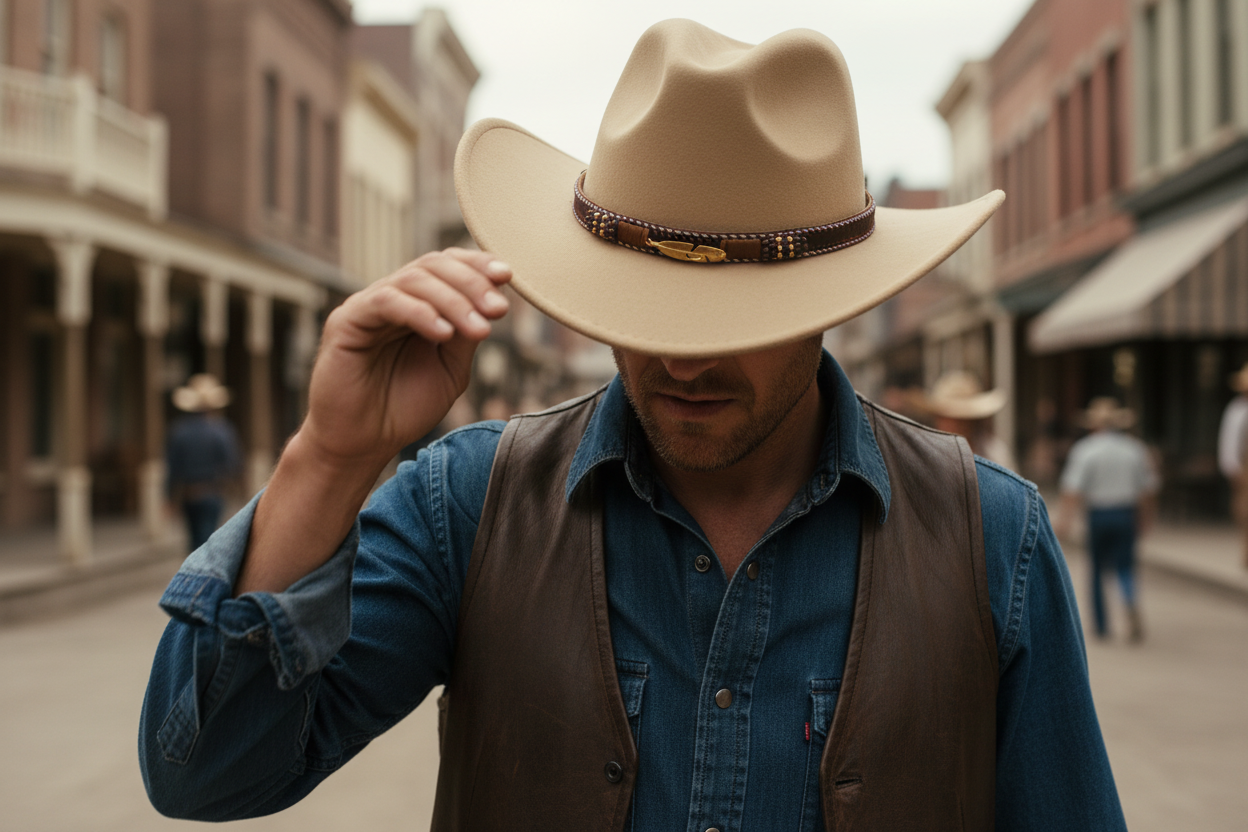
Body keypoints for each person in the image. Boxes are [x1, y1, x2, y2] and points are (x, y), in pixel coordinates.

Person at [140, 21, 1126, 831]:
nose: (681, 361)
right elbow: (206, 772)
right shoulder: (470, 505)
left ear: (832, 305)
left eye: (733, 322)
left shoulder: (991, 537)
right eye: (638, 312)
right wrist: (331, 454)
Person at [1057, 398, 1159, 643]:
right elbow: (1147, 490)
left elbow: (1073, 489)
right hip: (1125, 512)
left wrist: (1065, 520)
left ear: (1093, 425)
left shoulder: (1086, 449)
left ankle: (1102, 626)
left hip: (1099, 514)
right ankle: (1129, 600)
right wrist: (1145, 519)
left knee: (1096, 571)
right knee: (1125, 566)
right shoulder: (1134, 448)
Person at [165, 373, 241, 552]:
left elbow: (172, 468)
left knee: (193, 540)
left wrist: (169, 498)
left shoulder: (179, 432)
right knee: (207, 538)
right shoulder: (222, 430)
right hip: (212, 492)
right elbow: (233, 464)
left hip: (189, 494)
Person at [915, 370, 1015, 469]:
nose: (955, 425)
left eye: (962, 420)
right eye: (949, 418)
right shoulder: (924, 456)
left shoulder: (995, 453)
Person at [1216, 362, 1248, 569]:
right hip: (1244, 465)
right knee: (1244, 509)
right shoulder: (1237, 409)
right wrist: (1234, 467)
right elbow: (1229, 442)